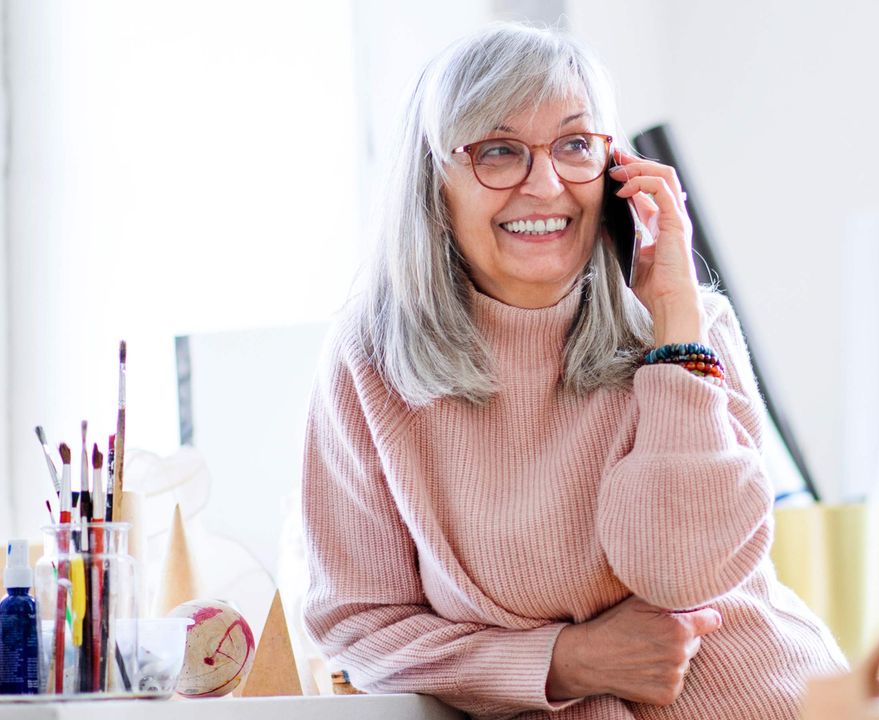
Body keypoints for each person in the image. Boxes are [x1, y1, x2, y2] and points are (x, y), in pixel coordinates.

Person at [301, 22, 847, 720]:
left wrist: (675, 323)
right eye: (498, 151)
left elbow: (685, 575)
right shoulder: (369, 362)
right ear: (435, 185)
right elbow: (360, 627)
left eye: (575, 145)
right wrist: (564, 660)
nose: (546, 183)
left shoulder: (689, 328)